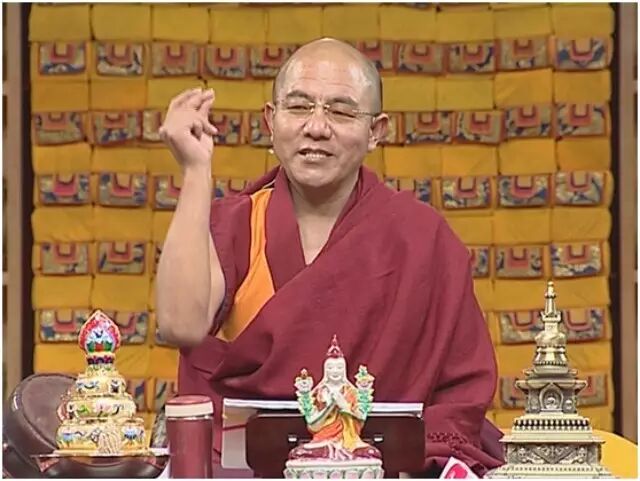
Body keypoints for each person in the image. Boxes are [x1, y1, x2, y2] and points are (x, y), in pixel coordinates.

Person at [156, 37, 503, 477]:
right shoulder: (239, 224)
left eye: (340, 112)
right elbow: (180, 326)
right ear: (271, 120)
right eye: (299, 107)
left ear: (376, 131)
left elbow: (459, 392)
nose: (317, 127)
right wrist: (195, 170)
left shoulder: (421, 238)